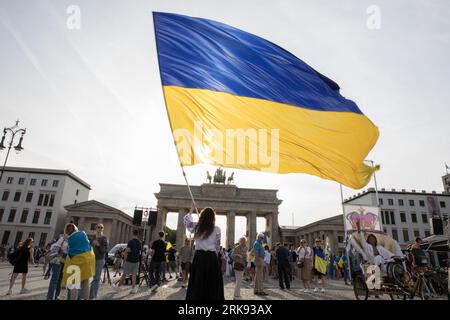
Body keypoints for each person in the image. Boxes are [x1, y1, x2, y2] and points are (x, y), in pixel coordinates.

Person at [184, 204, 224, 300]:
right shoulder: (217, 229)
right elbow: (217, 246)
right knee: (212, 281)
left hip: (199, 257)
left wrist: (191, 211)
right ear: (213, 217)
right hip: (211, 257)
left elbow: (186, 222)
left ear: (202, 216)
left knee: (198, 280)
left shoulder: (197, 227)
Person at [61, 223, 96, 300]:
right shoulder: (83, 233)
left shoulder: (68, 238)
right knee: (86, 282)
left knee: (74, 284)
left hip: (75, 261)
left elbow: (65, 250)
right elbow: (88, 244)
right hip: (87, 259)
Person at [113, 229, 141, 294]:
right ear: (137, 234)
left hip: (130, 260)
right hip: (136, 260)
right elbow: (139, 251)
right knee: (134, 274)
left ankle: (118, 287)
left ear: (133, 233)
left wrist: (124, 256)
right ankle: (133, 288)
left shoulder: (130, 241)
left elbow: (128, 250)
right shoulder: (139, 242)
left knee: (125, 273)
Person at [89, 223, 108, 299]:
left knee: (96, 278)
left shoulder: (104, 238)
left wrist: (99, 245)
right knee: (90, 278)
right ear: (96, 228)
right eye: (98, 227)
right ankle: (90, 294)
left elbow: (105, 250)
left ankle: (93, 296)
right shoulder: (92, 238)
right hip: (91, 260)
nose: (100, 229)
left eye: (101, 227)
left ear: (103, 229)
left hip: (99, 260)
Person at [46, 234, 68, 300]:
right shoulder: (63, 238)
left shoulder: (73, 240)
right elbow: (55, 249)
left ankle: (56, 296)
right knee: (55, 279)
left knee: (60, 280)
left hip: (64, 261)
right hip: (57, 260)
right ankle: (50, 297)